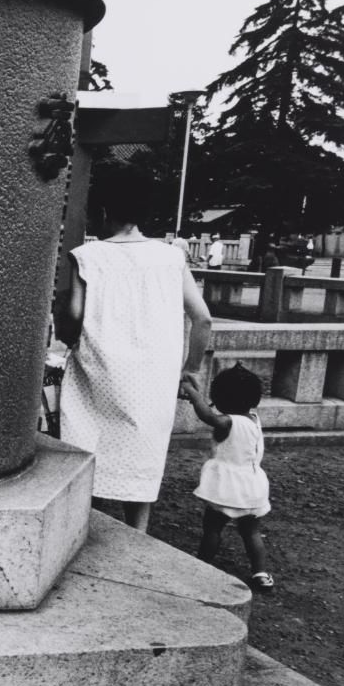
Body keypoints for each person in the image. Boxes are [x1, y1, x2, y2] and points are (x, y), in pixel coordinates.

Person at [57, 162, 212, 532]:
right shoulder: (171, 257)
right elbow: (202, 318)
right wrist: (190, 368)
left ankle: (82, 526)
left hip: (99, 372)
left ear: (105, 211)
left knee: (87, 448)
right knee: (143, 456)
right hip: (153, 379)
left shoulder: (87, 257)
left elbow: (73, 316)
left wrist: (66, 333)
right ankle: (138, 534)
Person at [180, 364, 274, 593]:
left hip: (227, 487)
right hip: (252, 485)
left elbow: (208, 416)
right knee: (251, 531)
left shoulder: (229, 422)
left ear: (220, 399)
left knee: (213, 528)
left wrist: (192, 395)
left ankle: (202, 565)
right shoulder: (253, 419)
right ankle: (261, 573)